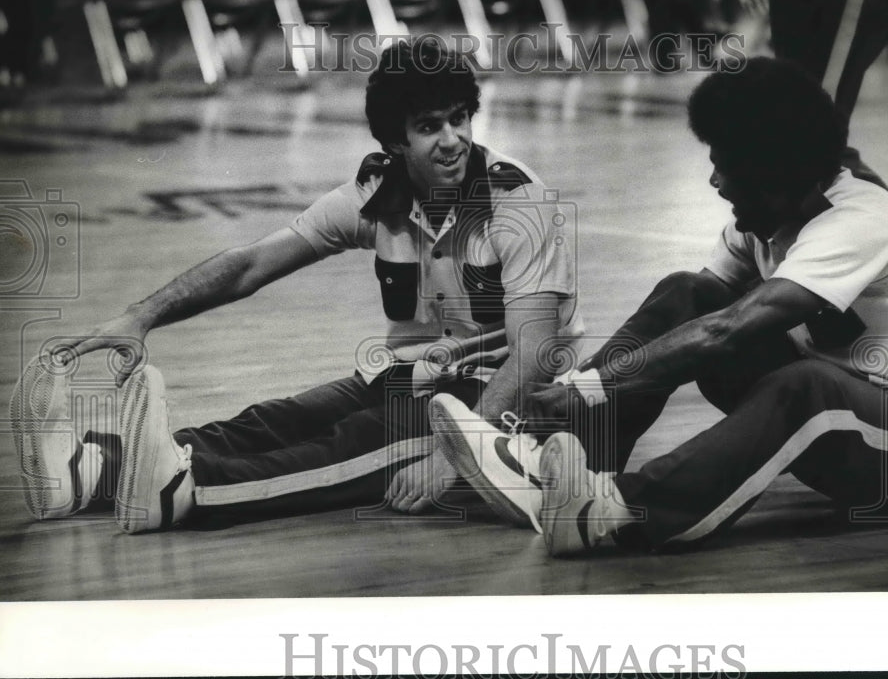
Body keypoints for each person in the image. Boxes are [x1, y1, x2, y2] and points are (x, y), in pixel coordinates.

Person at [11, 37, 582, 533]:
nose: (453, 139)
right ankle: (88, 471)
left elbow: (534, 351)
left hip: (505, 404)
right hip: (414, 375)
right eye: (430, 126)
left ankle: (185, 491)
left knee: (345, 443)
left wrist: (465, 452)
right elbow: (250, 265)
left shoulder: (518, 201)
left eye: (460, 118)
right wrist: (142, 316)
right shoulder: (377, 194)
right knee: (273, 420)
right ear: (396, 142)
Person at [437, 57, 888, 556]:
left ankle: (613, 512)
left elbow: (725, 332)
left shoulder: (858, 221)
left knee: (807, 385)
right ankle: (560, 464)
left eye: (725, 166)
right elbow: (694, 309)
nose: (714, 179)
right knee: (687, 292)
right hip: (858, 429)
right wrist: (584, 399)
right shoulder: (770, 216)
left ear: (772, 175)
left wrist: (583, 386)